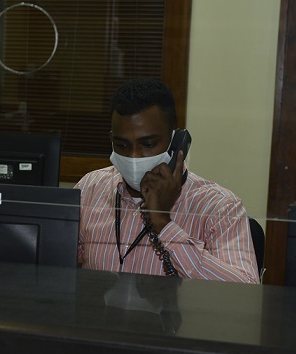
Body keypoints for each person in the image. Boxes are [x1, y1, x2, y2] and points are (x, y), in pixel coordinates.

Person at [75, 78, 259, 284]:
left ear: (176, 142)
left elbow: (245, 289)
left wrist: (163, 225)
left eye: (148, 144)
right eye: (122, 145)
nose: (134, 156)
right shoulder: (90, 188)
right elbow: (57, 261)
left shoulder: (219, 207)